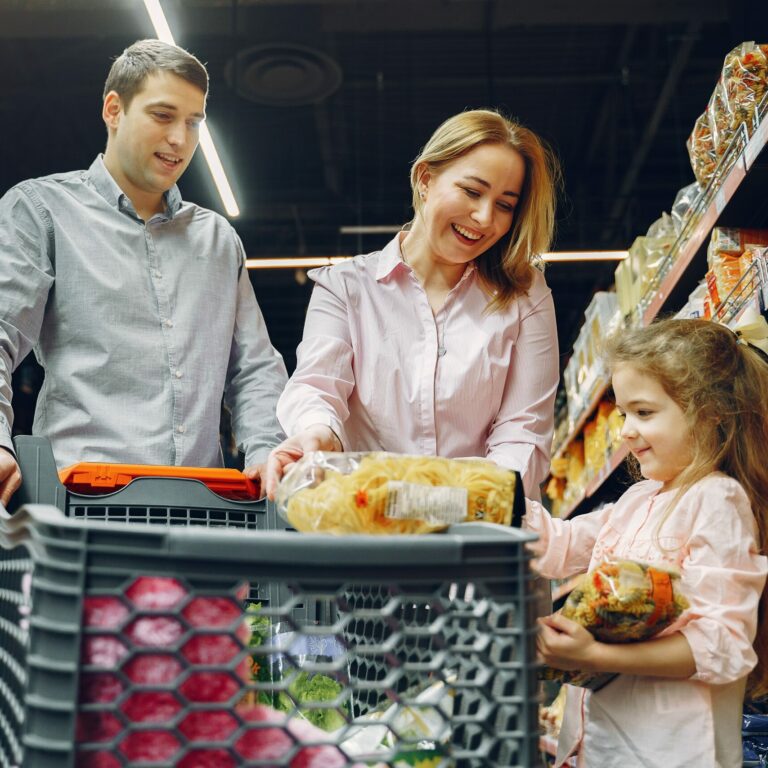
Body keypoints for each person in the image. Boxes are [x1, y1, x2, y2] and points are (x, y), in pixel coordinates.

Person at [0, 39, 287, 507]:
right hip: (82, 505)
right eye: (163, 115)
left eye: (194, 122)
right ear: (114, 109)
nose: (181, 138)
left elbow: (253, 368)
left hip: (207, 509)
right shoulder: (41, 212)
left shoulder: (217, 240)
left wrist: (267, 451)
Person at [265, 108, 561, 500]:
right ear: (426, 178)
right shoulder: (346, 288)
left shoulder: (525, 296)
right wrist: (318, 434)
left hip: (479, 530)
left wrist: (456, 501)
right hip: (367, 521)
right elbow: (318, 387)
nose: (485, 217)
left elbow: (524, 431)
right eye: (472, 191)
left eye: (505, 204)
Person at [528, 318, 768, 768]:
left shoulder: (716, 500)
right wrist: (484, 496)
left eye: (644, 413)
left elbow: (721, 644)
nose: (625, 432)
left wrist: (593, 655)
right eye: (623, 415)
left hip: (672, 752)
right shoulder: (637, 500)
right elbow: (559, 545)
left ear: (711, 412)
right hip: (600, 747)